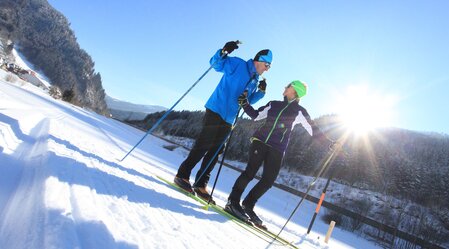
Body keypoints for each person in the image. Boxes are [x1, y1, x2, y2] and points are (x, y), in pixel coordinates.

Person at [224, 80, 334, 227]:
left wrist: (330, 144)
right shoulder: (273, 104)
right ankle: (233, 201)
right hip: (260, 141)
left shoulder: (299, 111)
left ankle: (248, 205)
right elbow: (256, 115)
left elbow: (313, 130)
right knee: (250, 172)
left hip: (277, 148)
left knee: (268, 180)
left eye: (288, 86)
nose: (284, 87)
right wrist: (244, 103)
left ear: (294, 91)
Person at [174, 41, 273, 204]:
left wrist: (261, 92)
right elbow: (216, 65)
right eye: (267, 65)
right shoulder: (238, 64)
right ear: (258, 61)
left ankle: (200, 184)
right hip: (216, 108)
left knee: (215, 152)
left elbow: (248, 100)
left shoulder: (255, 80)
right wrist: (223, 51)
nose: (267, 69)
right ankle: (182, 175)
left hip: (229, 118)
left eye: (269, 67)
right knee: (204, 144)